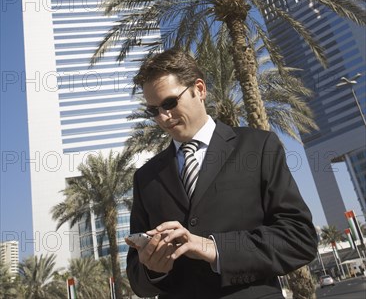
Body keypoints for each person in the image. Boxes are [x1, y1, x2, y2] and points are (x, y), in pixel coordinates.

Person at [126, 49, 317, 299]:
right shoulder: (146, 177)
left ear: (200, 89)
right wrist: (153, 270)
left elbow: (299, 238)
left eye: (170, 103)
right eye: (153, 110)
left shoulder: (257, 147)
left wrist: (213, 248)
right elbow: (137, 280)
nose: (162, 117)